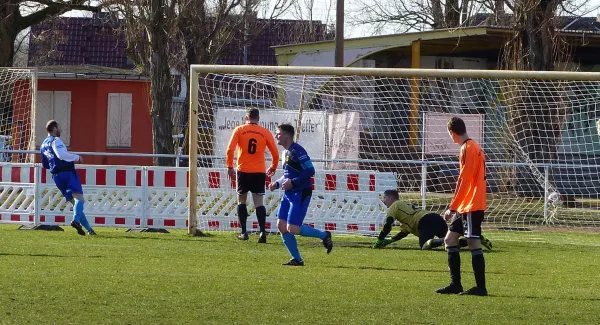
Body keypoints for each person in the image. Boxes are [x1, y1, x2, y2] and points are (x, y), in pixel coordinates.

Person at [436, 117, 488, 296]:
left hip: (472, 203)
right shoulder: (474, 147)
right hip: (466, 204)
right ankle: (455, 284)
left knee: (473, 242)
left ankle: (481, 288)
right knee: (450, 239)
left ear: (452, 133)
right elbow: (465, 179)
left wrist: (452, 207)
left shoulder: (468, 148)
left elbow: (465, 180)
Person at [268, 124, 333, 266]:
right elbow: (287, 176)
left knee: (293, 228)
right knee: (281, 225)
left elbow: (310, 170)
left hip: (300, 192)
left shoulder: (298, 151)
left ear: (286, 135)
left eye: (278, 133)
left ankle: (324, 235)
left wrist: (294, 182)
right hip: (289, 193)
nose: (276, 136)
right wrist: (277, 184)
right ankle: (297, 259)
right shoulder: (285, 153)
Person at [226, 108, 279, 243]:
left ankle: (244, 232)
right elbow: (275, 153)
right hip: (259, 171)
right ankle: (262, 232)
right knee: (259, 203)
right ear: (258, 118)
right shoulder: (265, 132)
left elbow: (230, 149)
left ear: (246, 117)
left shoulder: (239, 130)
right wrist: (273, 167)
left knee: (241, 201)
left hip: (243, 170)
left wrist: (229, 166)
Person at [373, 190, 492, 250]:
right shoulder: (404, 214)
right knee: (451, 242)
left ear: (391, 198)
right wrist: (388, 241)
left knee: (424, 246)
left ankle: (467, 239)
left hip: (425, 221)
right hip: (435, 218)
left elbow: (388, 225)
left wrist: (379, 240)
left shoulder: (395, 205)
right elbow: (403, 233)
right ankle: (474, 239)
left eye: (384, 198)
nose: (384, 201)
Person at [40, 120, 96, 236]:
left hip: (57, 177)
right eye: (59, 127)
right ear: (55, 128)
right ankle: (75, 220)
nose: (61, 130)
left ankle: (90, 230)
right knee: (79, 199)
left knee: (75, 202)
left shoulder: (43, 145)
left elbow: (45, 164)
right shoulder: (56, 140)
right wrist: (77, 157)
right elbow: (61, 155)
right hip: (67, 173)